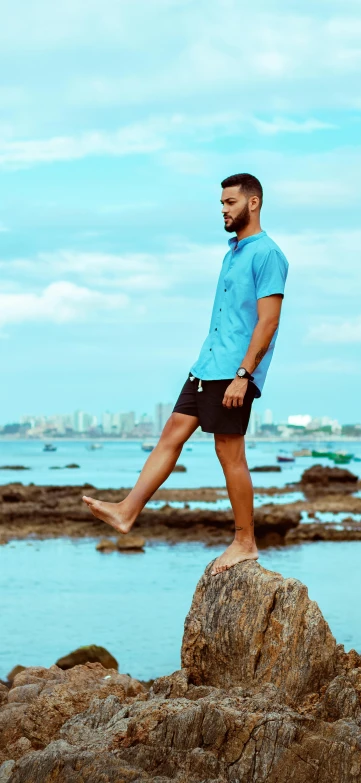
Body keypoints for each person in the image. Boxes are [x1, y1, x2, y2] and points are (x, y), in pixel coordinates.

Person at [82, 173, 289, 576]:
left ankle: (245, 543)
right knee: (172, 431)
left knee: (230, 453)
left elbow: (268, 322)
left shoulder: (267, 253)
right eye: (221, 204)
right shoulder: (233, 253)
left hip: (233, 372)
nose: (224, 210)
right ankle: (127, 511)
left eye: (230, 202)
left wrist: (244, 374)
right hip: (206, 366)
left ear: (253, 203)